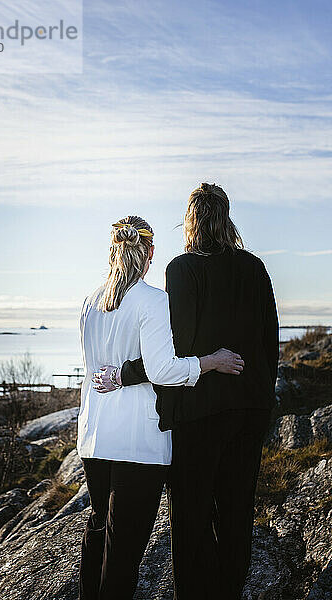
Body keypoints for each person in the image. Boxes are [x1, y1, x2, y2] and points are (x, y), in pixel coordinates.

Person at [97, 185, 279, 600]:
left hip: (199, 413)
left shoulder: (182, 269)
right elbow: (271, 342)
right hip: (250, 411)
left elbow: (175, 345)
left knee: (191, 518)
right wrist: (260, 396)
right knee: (236, 512)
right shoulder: (255, 268)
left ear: (191, 220)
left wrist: (128, 373)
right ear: (227, 217)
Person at [77, 214, 244, 600]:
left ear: (112, 252)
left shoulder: (89, 301)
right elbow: (163, 370)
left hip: (94, 438)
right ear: (150, 252)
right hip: (138, 443)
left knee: (99, 531)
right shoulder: (152, 300)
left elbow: (91, 366)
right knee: (123, 553)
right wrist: (209, 361)